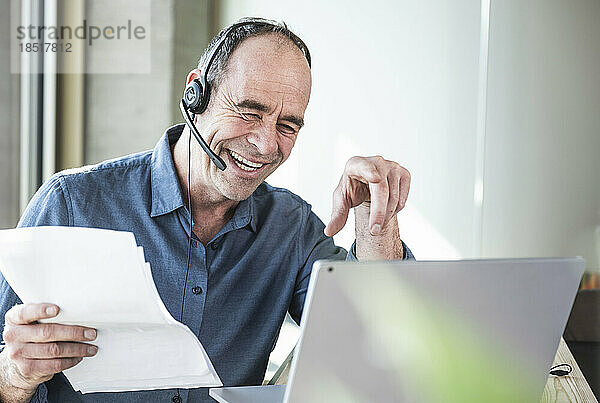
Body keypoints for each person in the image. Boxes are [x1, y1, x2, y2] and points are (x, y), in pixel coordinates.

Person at [0, 18, 414, 403]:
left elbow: (376, 341)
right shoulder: (73, 204)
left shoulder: (292, 229)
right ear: (196, 93)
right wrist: (14, 375)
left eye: (287, 126)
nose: (267, 145)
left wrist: (375, 223)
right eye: (249, 112)